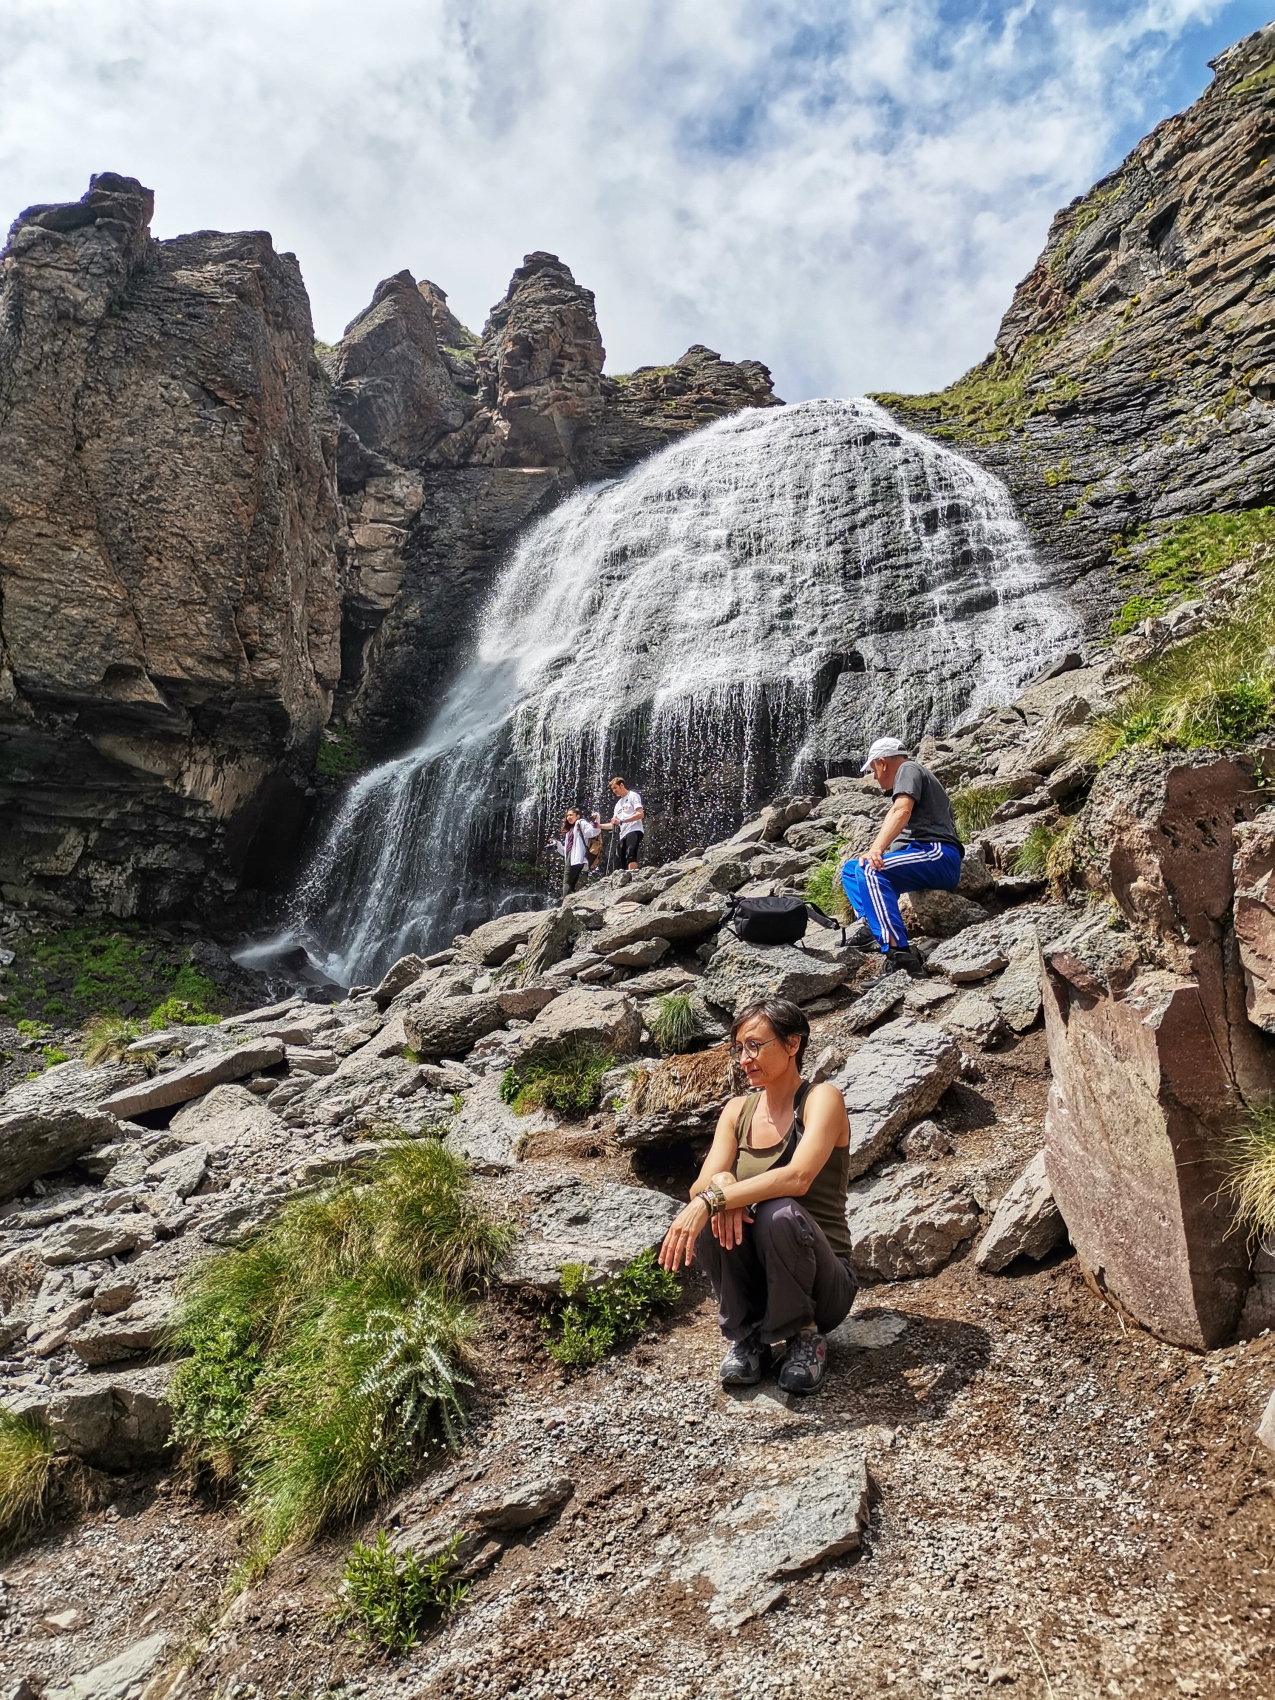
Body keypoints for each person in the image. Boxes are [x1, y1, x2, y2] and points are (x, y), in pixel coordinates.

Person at [658, 998, 855, 1394]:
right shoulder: (737, 1110)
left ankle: (806, 1335)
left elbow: (797, 1177)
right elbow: (700, 1186)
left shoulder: (821, 1099)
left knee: (778, 1213)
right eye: (738, 1049)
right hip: (763, 1279)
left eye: (754, 1046)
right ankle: (748, 1337)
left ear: (792, 1044)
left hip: (825, 1285)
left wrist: (717, 1198)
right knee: (711, 1214)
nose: (744, 1059)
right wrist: (721, 1187)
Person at [839, 736, 962, 977]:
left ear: (882, 763)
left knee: (868, 869)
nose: (875, 777)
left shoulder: (908, 768)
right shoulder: (906, 780)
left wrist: (876, 850)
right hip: (922, 855)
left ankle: (901, 957)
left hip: (937, 853)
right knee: (852, 870)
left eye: (873, 770)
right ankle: (872, 925)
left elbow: (901, 810)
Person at [550, 807, 600, 895]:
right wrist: (556, 844)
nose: (569, 817)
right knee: (571, 883)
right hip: (572, 857)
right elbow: (566, 850)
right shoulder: (570, 830)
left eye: (571, 815)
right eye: (567, 815)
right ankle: (570, 900)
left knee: (566, 882)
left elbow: (594, 832)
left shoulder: (581, 823)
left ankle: (565, 902)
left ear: (577, 816)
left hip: (577, 857)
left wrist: (597, 818)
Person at [599, 775, 644, 870]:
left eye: (615, 788)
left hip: (634, 829)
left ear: (622, 785)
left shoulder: (633, 795)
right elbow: (613, 824)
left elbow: (640, 814)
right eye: (612, 789)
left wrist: (622, 821)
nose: (614, 791)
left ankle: (633, 875)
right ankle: (625, 878)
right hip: (623, 833)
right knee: (620, 861)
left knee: (630, 853)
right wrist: (599, 826)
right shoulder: (618, 804)